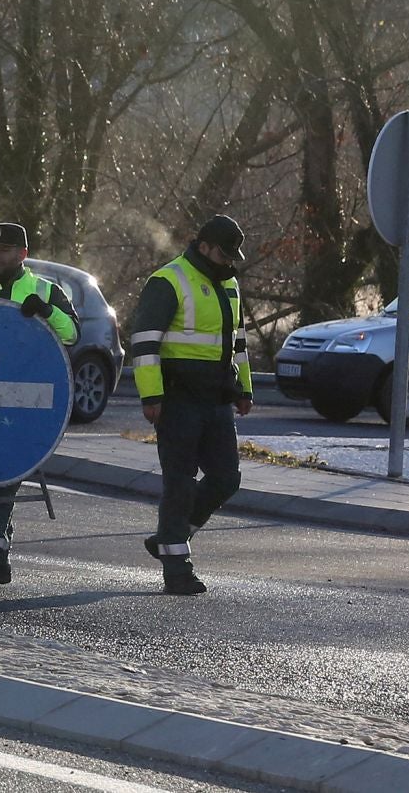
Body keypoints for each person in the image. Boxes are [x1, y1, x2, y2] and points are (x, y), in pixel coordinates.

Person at [130, 214, 253, 596]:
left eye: (234, 255)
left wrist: (243, 390)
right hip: (178, 399)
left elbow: (239, 343)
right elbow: (145, 342)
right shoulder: (168, 280)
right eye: (224, 253)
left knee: (226, 478)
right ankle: (176, 568)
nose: (230, 261)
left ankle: (172, 536)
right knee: (179, 484)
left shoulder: (229, 284)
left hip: (216, 399)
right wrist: (151, 397)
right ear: (203, 247)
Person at [0, 221, 79, 589]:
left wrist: (47, 312)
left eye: (6, 250)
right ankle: (0, 561)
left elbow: (72, 333)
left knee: (4, 470)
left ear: (23, 254)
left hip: (26, 398)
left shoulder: (44, 289)